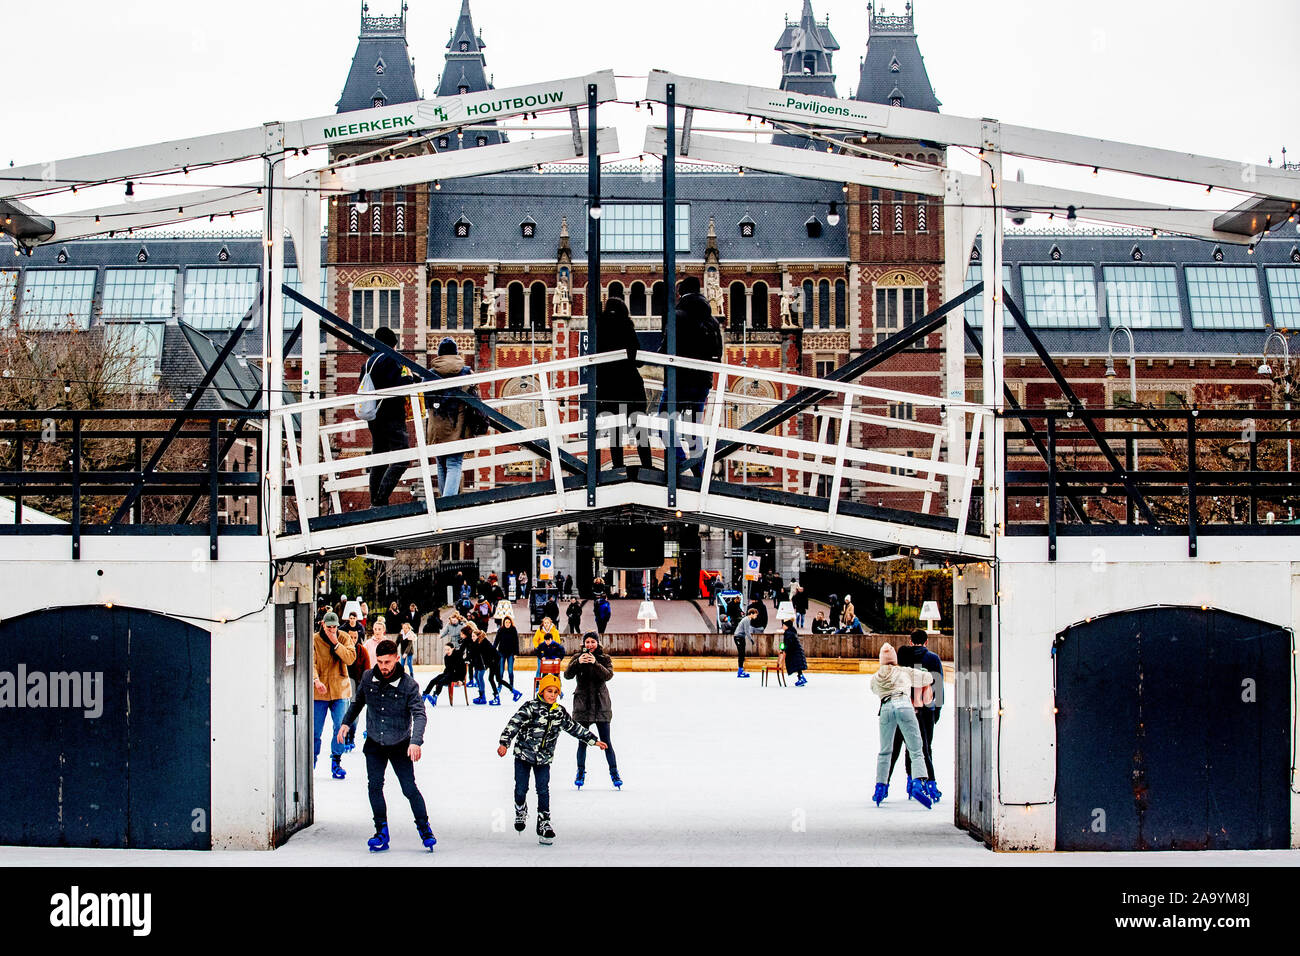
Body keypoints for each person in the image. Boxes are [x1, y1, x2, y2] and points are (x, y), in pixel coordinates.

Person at [338, 638, 435, 852]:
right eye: (380, 662)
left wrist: (415, 741)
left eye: (388, 662)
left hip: (400, 743)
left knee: (409, 788)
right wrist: (346, 723)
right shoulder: (368, 677)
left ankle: (424, 828)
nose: (383, 667)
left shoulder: (409, 685)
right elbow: (358, 701)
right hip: (374, 742)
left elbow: (420, 714)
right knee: (374, 786)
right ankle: (381, 831)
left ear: (396, 659)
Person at [497, 673, 606, 845]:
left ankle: (544, 822)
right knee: (521, 788)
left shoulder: (559, 713)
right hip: (523, 756)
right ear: (541, 691)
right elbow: (514, 724)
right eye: (549, 691)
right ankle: (520, 809)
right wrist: (504, 743)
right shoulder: (530, 707)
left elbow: (574, 728)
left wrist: (593, 740)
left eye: (556, 692)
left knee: (543, 790)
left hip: (544, 758)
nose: (552, 695)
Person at [660, 291, 722, 476]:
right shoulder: (713, 321)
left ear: (680, 295)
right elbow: (717, 354)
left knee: (664, 422)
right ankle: (699, 473)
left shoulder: (677, 317)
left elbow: (665, 349)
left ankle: (680, 462)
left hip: (678, 381)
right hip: (702, 383)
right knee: (694, 430)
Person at [869, 643, 934, 808]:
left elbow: (874, 689)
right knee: (915, 748)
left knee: (885, 751)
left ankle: (880, 787)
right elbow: (928, 678)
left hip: (885, 708)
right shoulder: (903, 671)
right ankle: (918, 782)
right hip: (904, 705)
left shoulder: (876, 677)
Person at [595, 297, 653, 473]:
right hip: (631, 385)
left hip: (608, 387)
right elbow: (637, 359)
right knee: (639, 426)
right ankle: (647, 465)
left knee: (615, 429)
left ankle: (618, 465)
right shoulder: (627, 326)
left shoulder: (599, 327)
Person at [888, 629, 946, 804]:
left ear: (910, 641)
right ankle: (928, 782)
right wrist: (937, 711)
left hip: (903, 706)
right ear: (926, 642)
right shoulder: (933, 659)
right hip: (927, 709)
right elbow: (938, 688)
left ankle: (907, 780)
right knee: (924, 747)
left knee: (901, 746)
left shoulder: (902, 657)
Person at [363, 325, 414, 508]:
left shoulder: (368, 362)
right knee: (402, 458)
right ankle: (380, 499)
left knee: (379, 459)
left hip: (374, 418)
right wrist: (409, 378)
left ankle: (374, 502)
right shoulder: (391, 360)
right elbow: (401, 386)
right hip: (392, 416)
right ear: (392, 344)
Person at [564, 632, 621, 789]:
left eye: (592, 642)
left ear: (597, 643)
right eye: (587, 642)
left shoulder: (604, 658)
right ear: (583, 644)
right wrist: (577, 663)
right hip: (583, 706)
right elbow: (567, 675)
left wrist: (595, 663)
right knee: (583, 742)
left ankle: (614, 773)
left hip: (601, 705)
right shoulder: (577, 657)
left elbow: (608, 675)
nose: (590, 645)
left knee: (606, 742)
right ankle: (580, 772)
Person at [427, 336, 476, 498]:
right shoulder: (466, 372)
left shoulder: (430, 373)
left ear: (440, 354)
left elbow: (425, 400)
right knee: (454, 463)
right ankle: (448, 502)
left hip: (437, 426)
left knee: (441, 464)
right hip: (458, 425)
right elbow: (476, 400)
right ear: (456, 353)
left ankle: (443, 501)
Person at [312, 611, 357, 780]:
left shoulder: (344, 637)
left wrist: (336, 644)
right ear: (323, 624)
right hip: (320, 691)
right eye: (328, 626)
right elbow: (312, 663)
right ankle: (312, 759)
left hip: (339, 689)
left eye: (334, 627)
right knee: (316, 730)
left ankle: (336, 761)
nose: (331, 629)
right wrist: (316, 681)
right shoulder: (315, 640)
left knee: (340, 727)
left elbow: (351, 658)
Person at [423, 641, 466, 706]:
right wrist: (443, 675)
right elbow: (448, 669)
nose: (447, 651)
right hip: (448, 674)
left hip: (457, 675)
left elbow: (463, 669)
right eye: (445, 650)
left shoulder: (458, 655)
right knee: (433, 681)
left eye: (448, 649)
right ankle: (424, 696)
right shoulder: (446, 657)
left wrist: (461, 680)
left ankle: (435, 696)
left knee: (441, 682)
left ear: (452, 649)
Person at [732, 605, 760, 679]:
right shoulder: (747, 620)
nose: (756, 616)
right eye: (755, 615)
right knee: (741, 653)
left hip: (741, 637)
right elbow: (746, 631)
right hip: (738, 637)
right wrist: (751, 640)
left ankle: (741, 670)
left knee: (742, 653)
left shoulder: (747, 620)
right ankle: (740, 671)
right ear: (751, 614)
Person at [780, 615, 808, 687]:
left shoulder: (788, 633)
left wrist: (784, 649)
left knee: (797, 665)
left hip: (795, 652)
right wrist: (783, 648)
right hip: (796, 652)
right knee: (798, 666)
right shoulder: (791, 631)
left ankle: (801, 678)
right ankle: (800, 678)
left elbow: (788, 643)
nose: (782, 626)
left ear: (787, 626)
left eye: (783, 625)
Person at [494, 614, 520, 686]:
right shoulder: (501, 630)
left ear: (511, 623)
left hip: (510, 653)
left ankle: (511, 684)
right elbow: (496, 641)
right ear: (504, 623)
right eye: (506, 622)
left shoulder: (513, 630)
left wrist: (516, 653)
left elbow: (516, 642)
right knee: (501, 671)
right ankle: (500, 685)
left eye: (509, 622)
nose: (507, 624)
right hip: (501, 653)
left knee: (510, 671)